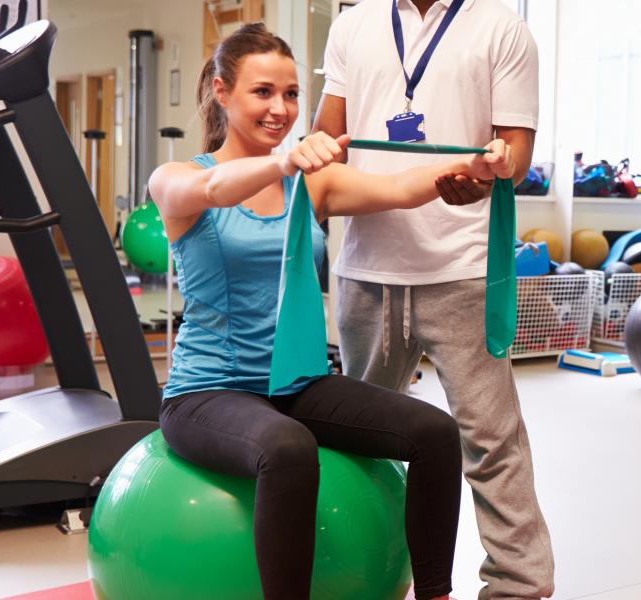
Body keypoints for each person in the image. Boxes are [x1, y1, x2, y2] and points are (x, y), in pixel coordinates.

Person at [147, 23, 513, 600]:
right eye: (262, 92)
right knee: (287, 447)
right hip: (207, 393)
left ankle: (435, 593)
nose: (281, 108)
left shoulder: (310, 186)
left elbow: (404, 187)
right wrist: (284, 162)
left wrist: (477, 163)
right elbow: (218, 187)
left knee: (435, 432)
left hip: (296, 382)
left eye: (291, 94)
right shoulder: (177, 178)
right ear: (222, 92)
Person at [314, 1, 554, 598]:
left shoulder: (504, 29)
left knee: (491, 439)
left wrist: (492, 171)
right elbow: (327, 136)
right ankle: (356, 571)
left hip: (463, 268)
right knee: (355, 439)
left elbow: (515, 154)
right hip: (367, 269)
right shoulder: (352, 25)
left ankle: (520, 585)